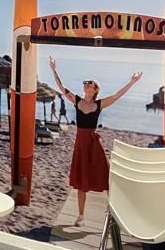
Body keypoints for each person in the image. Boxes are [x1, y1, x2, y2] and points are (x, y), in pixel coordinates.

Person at [49, 56, 142, 227]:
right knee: (81, 181)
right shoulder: (76, 100)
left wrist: (132, 82)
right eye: (85, 83)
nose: (86, 84)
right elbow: (61, 87)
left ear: (95, 89)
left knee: (104, 177)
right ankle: (81, 216)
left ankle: (116, 213)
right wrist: (54, 69)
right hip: (81, 144)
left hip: (94, 144)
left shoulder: (100, 104)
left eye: (89, 83)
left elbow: (116, 95)